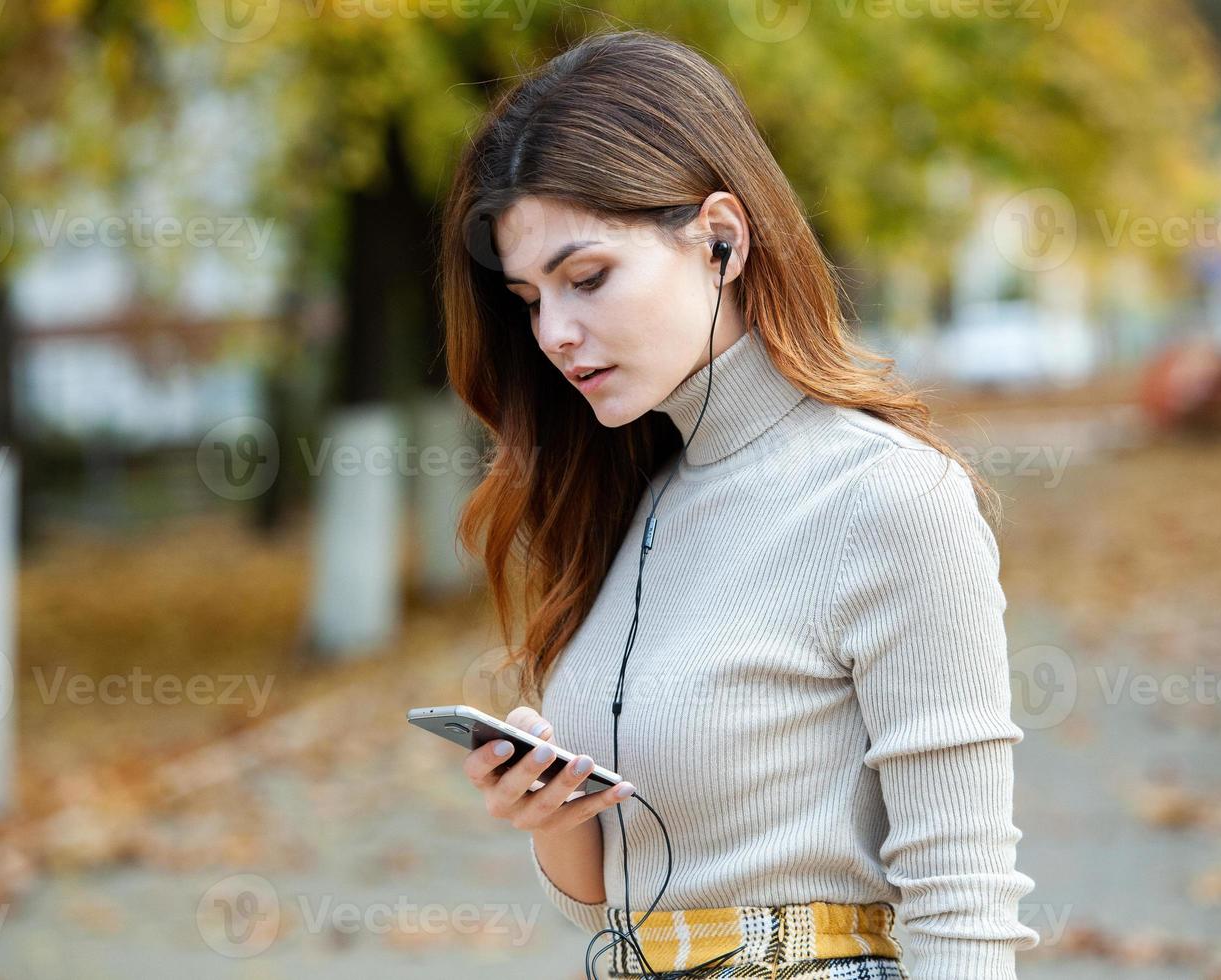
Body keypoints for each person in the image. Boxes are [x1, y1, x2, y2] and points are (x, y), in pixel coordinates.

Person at [437, 27, 1041, 980]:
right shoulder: (633, 503)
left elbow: (961, 891)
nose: (555, 331)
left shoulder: (885, 497)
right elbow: (614, 898)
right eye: (528, 298)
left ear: (720, 238)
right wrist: (549, 817)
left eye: (586, 277)